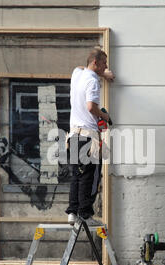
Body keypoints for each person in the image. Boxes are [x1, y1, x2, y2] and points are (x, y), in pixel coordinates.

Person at [65, 48, 115, 226]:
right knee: (91, 175)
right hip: (88, 136)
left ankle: (72, 212)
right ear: (95, 63)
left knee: (76, 175)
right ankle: (85, 214)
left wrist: (104, 73)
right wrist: (105, 116)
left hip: (73, 135)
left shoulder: (77, 74)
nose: (106, 66)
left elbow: (81, 67)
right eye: (104, 63)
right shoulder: (93, 81)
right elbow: (90, 107)